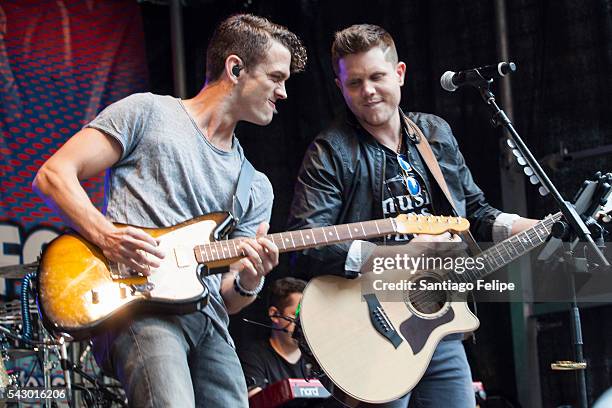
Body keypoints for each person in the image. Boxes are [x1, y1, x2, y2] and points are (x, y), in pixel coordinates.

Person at [33, 14, 306, 407]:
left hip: (209, 322)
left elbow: (229, 298)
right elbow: (54, 175)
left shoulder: (256, 185)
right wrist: (105, 235)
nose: (283, 93)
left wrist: (249, 279)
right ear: (235, 68)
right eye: (276, 77)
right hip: (137, 305)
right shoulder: (147, 113)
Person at [287, 24, 538, 407]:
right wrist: (392, 255)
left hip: (437, 322)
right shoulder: (331, 151)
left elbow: (473, 212)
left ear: (399, 73)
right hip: (370, 328)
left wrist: (532, 228)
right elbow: (305, 242)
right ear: (339, 88)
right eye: (354, 82)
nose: (368, 91)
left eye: (377, 77)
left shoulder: (434, 134)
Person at [239, 277, 307, 397]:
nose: (304, 322)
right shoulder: (252, 356)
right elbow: (257, 402)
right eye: (296, 314)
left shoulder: (318, 361)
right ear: (274, 314)